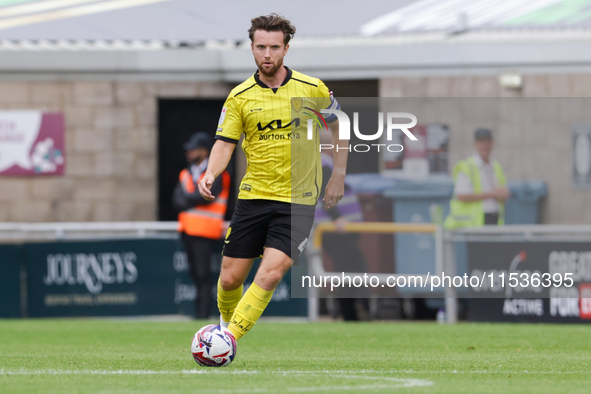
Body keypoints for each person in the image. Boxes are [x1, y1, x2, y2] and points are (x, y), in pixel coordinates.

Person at [198, 14, 347, 342]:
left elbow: (339, 125)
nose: (268, 54)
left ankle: (228, 340)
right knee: (229, 280)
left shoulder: (312, 89)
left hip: (298, 202)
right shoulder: (240, 96)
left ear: (286, 49)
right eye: (261, 47)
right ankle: (225, 329)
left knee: (269, 274)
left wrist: (338, 172)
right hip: (254, 197)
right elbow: (224, 143)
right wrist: (210, 173)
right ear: (251, 48)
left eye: (274, 47)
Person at [173, 132, 231, 319]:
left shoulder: (219, 173)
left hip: (206, 231)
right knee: (196, 274)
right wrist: (193, 198)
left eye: (194, 148)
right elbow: (177, 200)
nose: (189, 152)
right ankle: (200, 313)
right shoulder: (186, 172)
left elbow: (204, 198)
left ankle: (203, 315)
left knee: (203, 274)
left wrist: (189, 198)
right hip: (188, 230)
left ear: (205, 151)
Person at [316, 131, 367, 321]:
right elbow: (324, 192)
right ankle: (349, 313)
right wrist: (337, 218)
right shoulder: (322, 163)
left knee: (349, 269)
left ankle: (348, 312)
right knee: (352, 269)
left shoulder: (326, 164)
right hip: (335, 230)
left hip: (339, 230)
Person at [444, 128, 509, 229]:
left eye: (487, 141)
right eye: (481, 142)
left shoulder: (496, 167)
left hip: (495, 218)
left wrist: (503, 195)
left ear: (492, 143)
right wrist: (491, 194)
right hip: (476, 222)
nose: (485, 145)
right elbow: (461, 196)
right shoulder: (467, 167)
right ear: (476, 144)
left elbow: (503, 193)